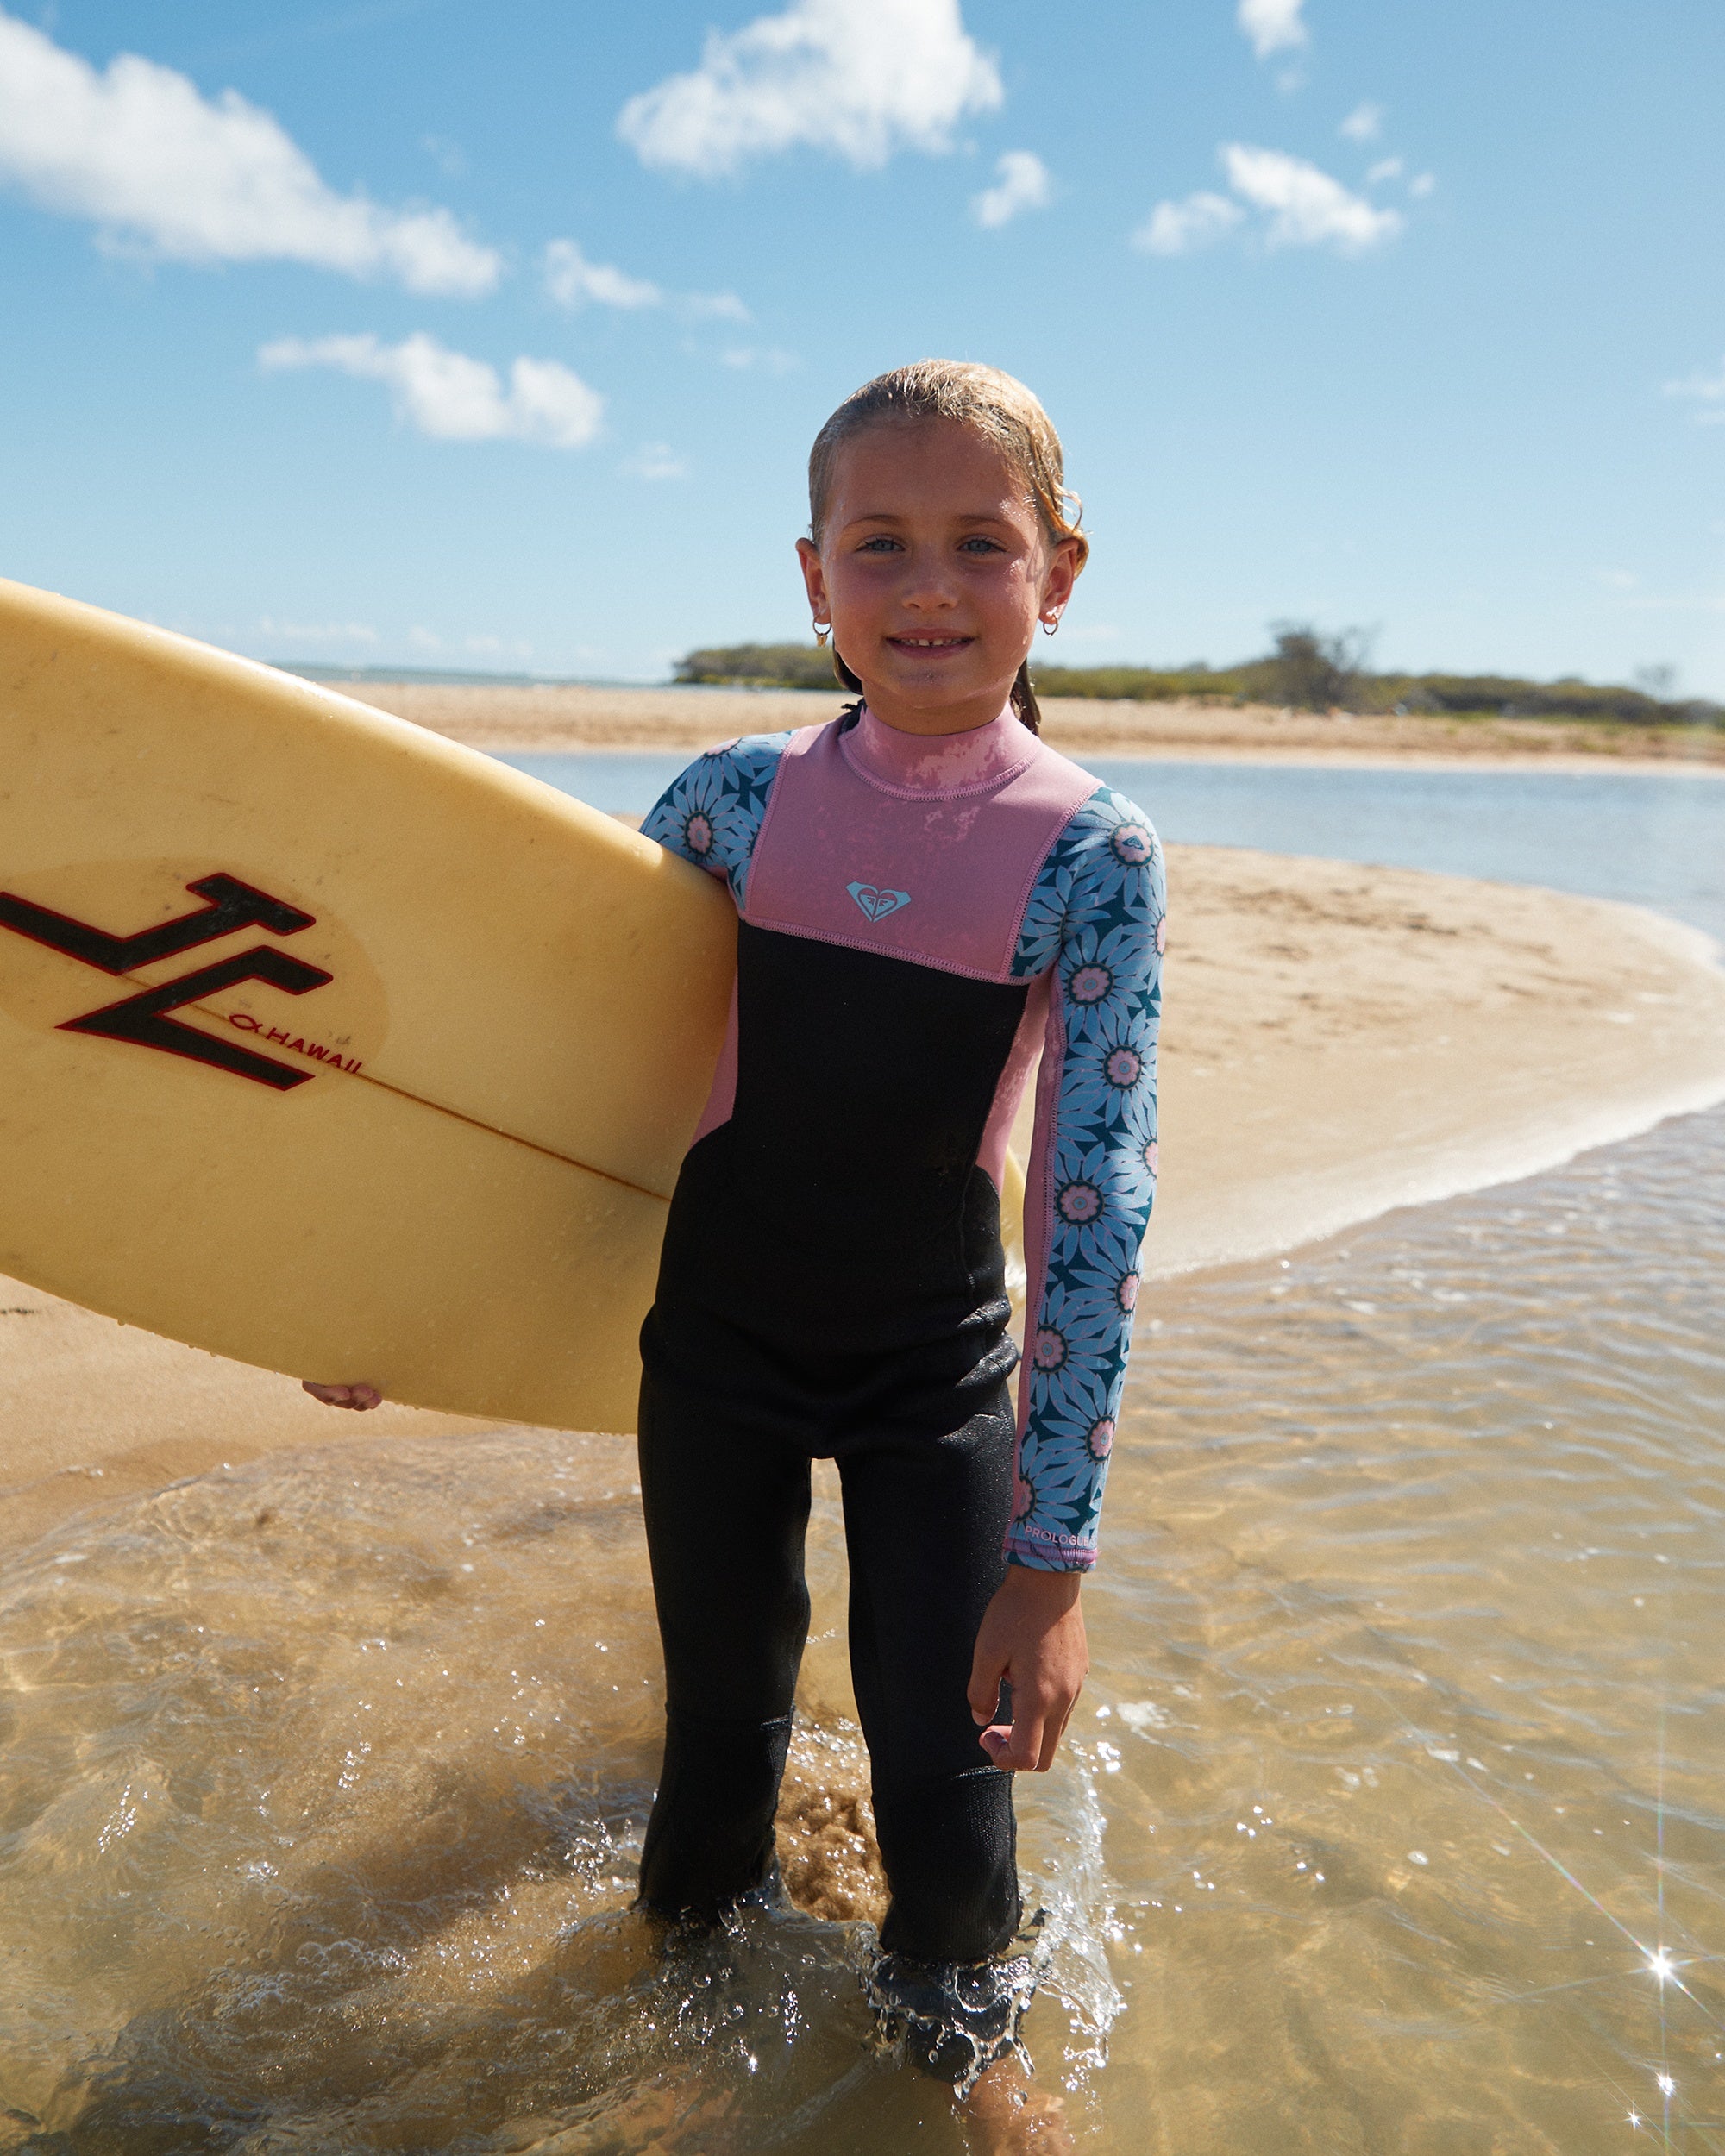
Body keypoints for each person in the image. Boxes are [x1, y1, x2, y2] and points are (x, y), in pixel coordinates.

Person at [308, 360, 1165, 2147]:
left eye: (976, 544)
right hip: (718, 1345)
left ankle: (960, 2053)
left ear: (1056, 575)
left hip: (936, 1371)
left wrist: (1055, 1557)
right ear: (812, 578)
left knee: (947, 1771)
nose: (927, 585)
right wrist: (387, 1280)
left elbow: (1088, 1208)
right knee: (719, 1734)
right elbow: (551, 1086)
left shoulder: (1089, 854)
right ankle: (678, 2034)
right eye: (880, 543)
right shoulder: (733, 799)